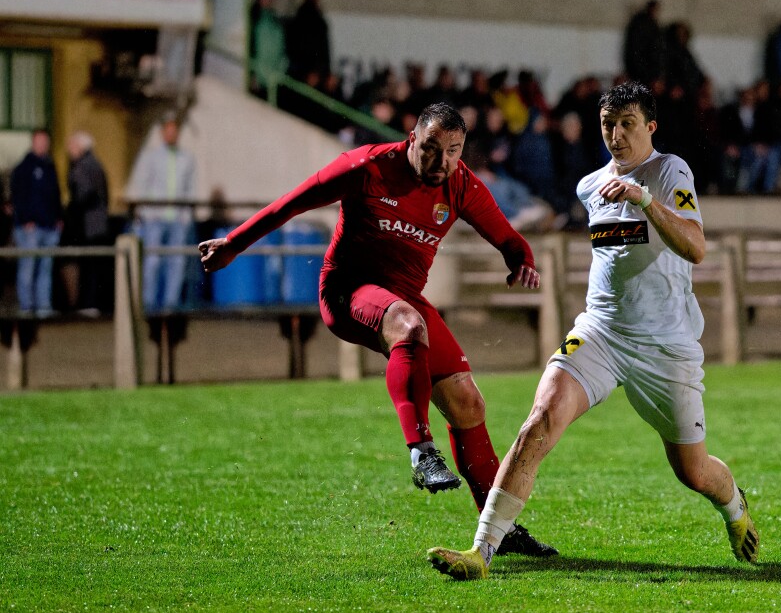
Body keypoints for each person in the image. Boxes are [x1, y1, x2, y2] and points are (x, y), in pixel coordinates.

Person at [428, 82, 759, 580]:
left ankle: (735, 509)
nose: (617, 134)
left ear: (651, 126)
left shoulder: (670, 172)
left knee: (692, 471)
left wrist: (645, 199)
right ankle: (482, 551)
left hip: (665, 346)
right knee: (538, 420)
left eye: (628, 123)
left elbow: (695, 247)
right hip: (600, 333)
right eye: (608, 124)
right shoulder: (589, 186)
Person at [198, 102, 557, 557]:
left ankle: (498, 529)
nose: (441, 161)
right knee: (408, 325)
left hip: (405, 297)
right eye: (431, 148)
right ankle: (421, 450)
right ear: (412, 138)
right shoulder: (368, 166)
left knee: (468, 403)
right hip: (348, 291)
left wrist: (520, 260)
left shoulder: (460, 183)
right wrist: (233, 244)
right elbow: (291, 203)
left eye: (453, 150)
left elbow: (506, 236)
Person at [128, 114, 197, 311]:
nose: (171, 134)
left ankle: (170, 305)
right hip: (155, 218)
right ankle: (149, 305)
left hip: (177, 218)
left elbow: (190, 188)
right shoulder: (151, 157)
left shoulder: (186, 159)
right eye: (168, 130)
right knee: (152, 262)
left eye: (174, 130)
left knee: (176, 261)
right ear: (162, 133)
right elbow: (142, 184)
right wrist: (145, 212)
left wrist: (186, 216)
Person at [10, 129, 62, 316]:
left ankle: (43, 307)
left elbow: (56, 194)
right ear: (33, 143)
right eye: (39, 141)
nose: (42, 145)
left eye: (45, 142)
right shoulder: (24, 168)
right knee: (28, 268)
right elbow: (18, 197)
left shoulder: (50, 166)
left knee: (45, 269)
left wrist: (58, 218)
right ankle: (26, 307)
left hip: (49, 227)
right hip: (30, 228)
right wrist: (25, 220)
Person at [64, 131, 110, 316]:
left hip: (87, 225)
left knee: (88, 265)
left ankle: (88, 303)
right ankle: (92, 302)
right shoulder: (97, 165)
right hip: (98, 223)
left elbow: (83, 195)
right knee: (94, 265)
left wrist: (71, 211)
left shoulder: (82, 167)